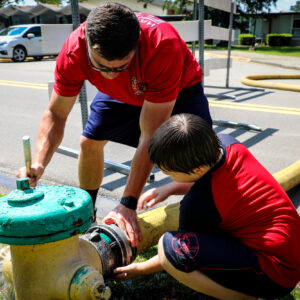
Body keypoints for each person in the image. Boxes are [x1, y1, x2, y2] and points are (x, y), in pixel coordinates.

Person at [16, 3, 212, 247]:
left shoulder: (162, 45)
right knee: (89, 142)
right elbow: (56, 113)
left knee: (201, 164)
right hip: (121, 94)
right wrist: (39, 162)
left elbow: (149, 136)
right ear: (86, 43)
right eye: (101, 67)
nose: (110, 75)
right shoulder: (73, 51)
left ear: (137, 42)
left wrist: (127, 203)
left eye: (120, 66)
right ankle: (87, 214)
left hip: (179, 89)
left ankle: (204, 226)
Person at [114, 113, 300, 300]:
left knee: (168, 247)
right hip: (291, 254)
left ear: (197, 170)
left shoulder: (199, 205)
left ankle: (240, 297)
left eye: (168, 173)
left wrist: (139, 269)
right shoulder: (227, 143)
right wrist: (171, 188)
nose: (166, 175)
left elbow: (180, 252)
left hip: (275, 276)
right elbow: (212, 179)